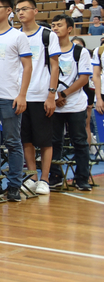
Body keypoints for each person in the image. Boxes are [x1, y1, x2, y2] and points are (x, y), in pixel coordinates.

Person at [0, 0, 32, 202]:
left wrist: (22, 95)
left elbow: (27, 66)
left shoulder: (17, 36)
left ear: (8, 10)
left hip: (9, 97)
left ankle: (14, 185)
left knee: (13, 142)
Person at [15, 0, 59, 196]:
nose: (21, 13)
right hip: (20, 96)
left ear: (35, 11)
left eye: (25, 9)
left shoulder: (47, 35)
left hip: (41, 95)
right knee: (26, 140)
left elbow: (55, 66)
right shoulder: (15, 36)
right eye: (18, 10)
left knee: (45, 141)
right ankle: (33, 176)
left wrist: (51, 95)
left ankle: (45, 179)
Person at [48, 15, 92, 191]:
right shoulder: (48, 52)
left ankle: (82, 178)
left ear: (69, 29)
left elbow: (84, 78)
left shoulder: (80, 52)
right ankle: (55, 177)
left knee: (79, 142)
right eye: (53, 25)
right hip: (53, 105)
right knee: (53, 142)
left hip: (75, 105)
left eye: (59, 25)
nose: (55, 28)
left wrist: (63, 93)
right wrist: (53, 96)